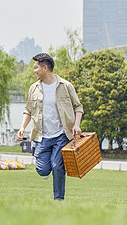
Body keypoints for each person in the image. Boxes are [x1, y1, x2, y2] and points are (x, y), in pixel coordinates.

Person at [17, 53, 83, 200]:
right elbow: (28, 110)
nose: (34, 70)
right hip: (42, 136)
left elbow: (78, 107)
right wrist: (22, 128)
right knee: (43, 170)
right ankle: (47, 170)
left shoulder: (65, 86)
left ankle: (58, 199)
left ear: (45, 68)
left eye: (36, 67)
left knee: (57, 166)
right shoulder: (34, 88)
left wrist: (76, 125)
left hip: (62, 135)